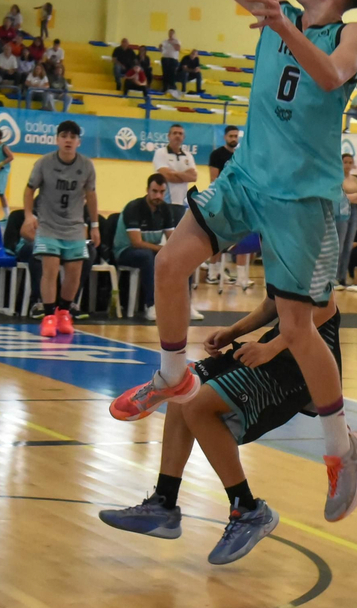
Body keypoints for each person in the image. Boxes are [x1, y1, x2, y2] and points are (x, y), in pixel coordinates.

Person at [110, 0, 357, 527]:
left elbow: (330, 77)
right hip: (247, 179)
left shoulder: (351, 31)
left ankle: (340, 447)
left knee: (298, 326)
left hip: (303, 199)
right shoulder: (276, 8)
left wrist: (283, 25)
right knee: (170, 263)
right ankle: (171, 378)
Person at [99, 296, 342, 565]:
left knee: (198, 406)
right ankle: (164, 503)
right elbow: (273, 302)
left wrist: (271, 347)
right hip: (279, 347)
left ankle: (249, 509)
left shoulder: (313, 267)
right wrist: (233, 332)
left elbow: (326, 308)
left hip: (303, 365)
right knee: (184, 387)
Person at [21, 121, 99, 338]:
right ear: (57, 139)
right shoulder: (44, 163)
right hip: (48, 225)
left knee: (75, 272)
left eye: (72, 137)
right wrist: (28, 215)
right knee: (51, 268)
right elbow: (29, 190)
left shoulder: (86, 165)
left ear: (78, 142)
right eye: (64, 136)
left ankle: (63, 312)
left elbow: (91, 195)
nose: (68, 140)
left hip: (74, 226)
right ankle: (48, 316)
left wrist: (94, 225)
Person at [114, 174, 177, 319]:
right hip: (126, 251)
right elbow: (136, 243)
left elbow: (172, 239)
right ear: (147, 190)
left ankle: (185, 303)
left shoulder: (165, 209)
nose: (158, 196)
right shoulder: (134, 208)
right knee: (147, 256)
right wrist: (163, 250)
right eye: (154, 191)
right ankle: (151, 305)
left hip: (150, 250)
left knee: (182, 258)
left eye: (162, 192)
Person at [204, 125, 253, 288]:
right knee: (219, 238)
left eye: (236, 136)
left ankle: (240, 277)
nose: (234, 138)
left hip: (239, 202)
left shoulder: (241, 156)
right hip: (222, 201)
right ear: (225, 137)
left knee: (242, 239)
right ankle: (213, 273)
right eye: (231, 136)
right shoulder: (217, 154)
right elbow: (214, 179)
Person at [335, 153, 357, 286]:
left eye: (350, 162)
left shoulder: (355, 180)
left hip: (354, 211)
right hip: (341, 210)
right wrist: (353, 196)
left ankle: (342, 277)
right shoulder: (337, 178)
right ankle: (334, 276)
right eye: (345, 162)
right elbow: (339, 197)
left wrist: (349, 196)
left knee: (348, 246)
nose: (347, 165)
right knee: (339, 246)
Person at [160, 29, 182, 97]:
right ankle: (165, 87)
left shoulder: (177, 41)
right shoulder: (165, 41)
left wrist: (172, 43)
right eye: (170, 33)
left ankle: (172, 88)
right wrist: (160, 47)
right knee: (165, 74)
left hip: (173, 59)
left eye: (172, 33)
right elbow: (161, 50)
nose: (170, 34)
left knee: (172, 74)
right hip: (165, 58)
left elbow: (178, 48)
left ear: (174, 34)